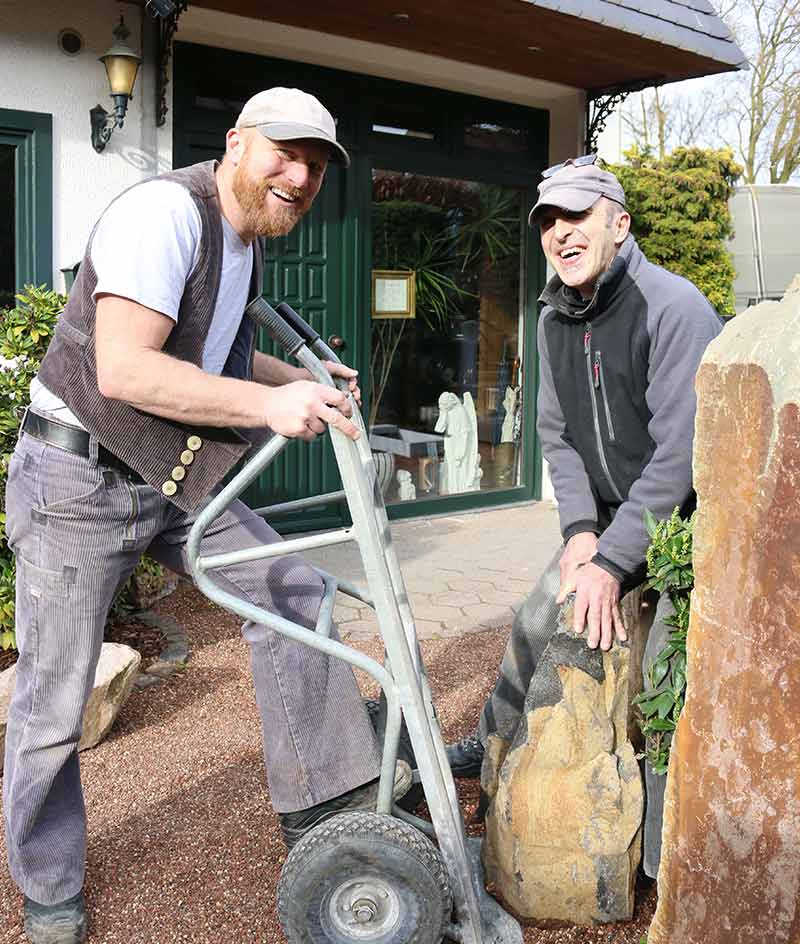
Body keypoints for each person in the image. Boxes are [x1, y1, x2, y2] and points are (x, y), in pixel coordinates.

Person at [4, 87, 410, 944]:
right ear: (236, 144)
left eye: (314, 165)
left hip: (169, 474)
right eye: (283, 153)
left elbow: (210, 342)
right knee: (51, 707)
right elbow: (124, 372)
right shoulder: (164, 216)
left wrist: (290, 380)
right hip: (76, 483)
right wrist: (270, 410)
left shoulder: (244, 234)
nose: (298, 176)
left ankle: (321, 810)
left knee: (295, 597)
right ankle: (47, 883)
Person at [446, 155, 723, 879]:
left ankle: (666, 864)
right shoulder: (552, 316)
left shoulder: (673, 308)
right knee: (540, 614)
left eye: (577, 216)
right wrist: (578, 535)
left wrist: (612, 563)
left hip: (690, 532)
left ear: (619, 224)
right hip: (606, 525)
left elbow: (679, 457)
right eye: (549, 221)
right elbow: (557, 435)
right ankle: (497, 749)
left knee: (670, 674)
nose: (561, 234)